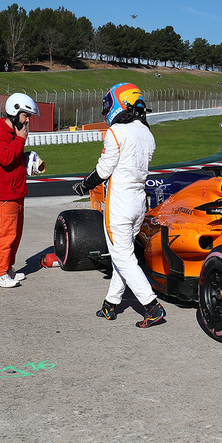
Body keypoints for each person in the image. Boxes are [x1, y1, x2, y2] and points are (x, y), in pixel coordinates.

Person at [72, 82, 165, 328]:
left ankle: (152, 306)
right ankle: (110, 305)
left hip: (120, 203)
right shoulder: (148, 134)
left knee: (123, 257)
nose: (106, 112)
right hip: (139, 203)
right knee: (122, 256)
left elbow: (104, 169)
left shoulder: (116, 133)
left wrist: (83, 185)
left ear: (119, 103)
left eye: (108, 106)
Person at [0, 93, 39, 288]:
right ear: (15, 112)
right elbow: (5, 158)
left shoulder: (12, 135)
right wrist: (20, 141)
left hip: (16, 192)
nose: (28, 120)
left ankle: (7, 268)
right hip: (4, 195)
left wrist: (27, 159)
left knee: (15, 235)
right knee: (4, 235)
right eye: (26, 116)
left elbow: (12, 159)